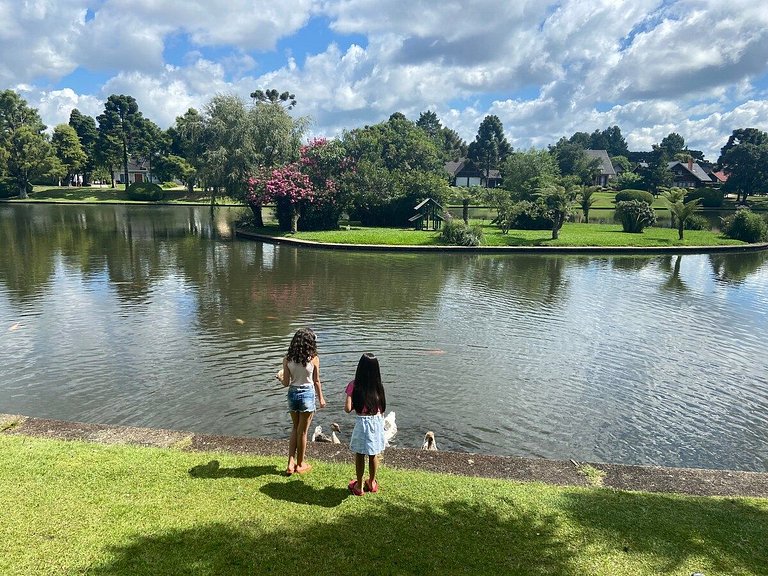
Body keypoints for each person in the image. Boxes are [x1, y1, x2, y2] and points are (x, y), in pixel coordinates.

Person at [280, 328, 325, 475]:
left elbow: (286, 383)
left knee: (295, 428)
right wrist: (321, 399)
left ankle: (290, 462)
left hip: (292, 393)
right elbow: (316, 381)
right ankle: (300, 464)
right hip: (307, 395)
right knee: (303, 432)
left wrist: (281, 377)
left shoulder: (287, 359)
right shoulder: (313, 358)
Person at [344, 352, 386, 495]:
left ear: (359, 368)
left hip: (362, 423)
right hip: (376, 422)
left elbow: (348, 409)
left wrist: (351, 396)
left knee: (360, 454)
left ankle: (359, 486)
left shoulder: (354, 385)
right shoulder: (378, 386)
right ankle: (372, 482)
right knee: (373, 454)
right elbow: (382, 407)